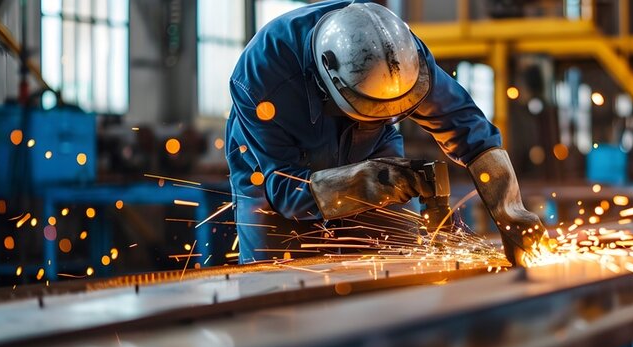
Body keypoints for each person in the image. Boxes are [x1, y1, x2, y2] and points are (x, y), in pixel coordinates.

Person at [225, 0, 548, 266]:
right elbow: (283, 190)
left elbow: (471, 132)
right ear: (329, 80)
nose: (387, 116)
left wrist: (508, 209)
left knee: (399, 264)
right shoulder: (261, 77)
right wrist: (368, 182)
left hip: (372, 151)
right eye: (372, 109)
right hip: (275, 178)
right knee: (277, 280)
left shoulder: (403, 55)